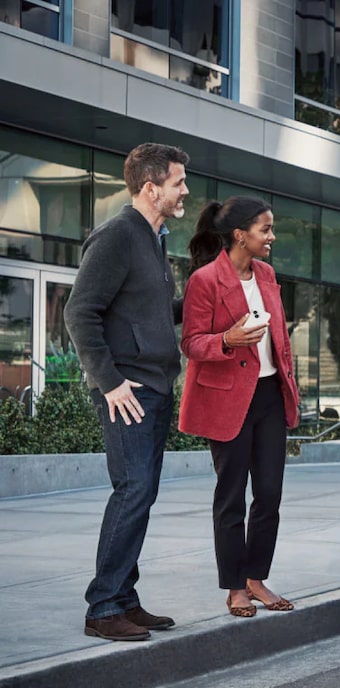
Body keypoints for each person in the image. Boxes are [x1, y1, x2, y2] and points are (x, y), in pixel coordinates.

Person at [64, 142, 190, 641]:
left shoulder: (153, 239)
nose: (185, 190)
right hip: (129, 389)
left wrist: (205, 295)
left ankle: (124, 597)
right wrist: (110, 382)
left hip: (155, 385)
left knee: (143, 493)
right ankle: (103, 607)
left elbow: (154, 313)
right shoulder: (117, 235)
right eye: (178, 182)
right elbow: (80, 312)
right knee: (133, 490)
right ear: (150, 187)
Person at [178, 197, 300, 618]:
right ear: (239, 235)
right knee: (230, 496)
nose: (272, 237)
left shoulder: (267, 274)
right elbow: (191, 342)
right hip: (226, 398)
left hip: (268, 395)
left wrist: (289, 381)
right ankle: (235, 588)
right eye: (265, 229)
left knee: (269, 495)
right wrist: (227, 340)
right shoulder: (205, 280)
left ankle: (256, 578)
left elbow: (278, 336)